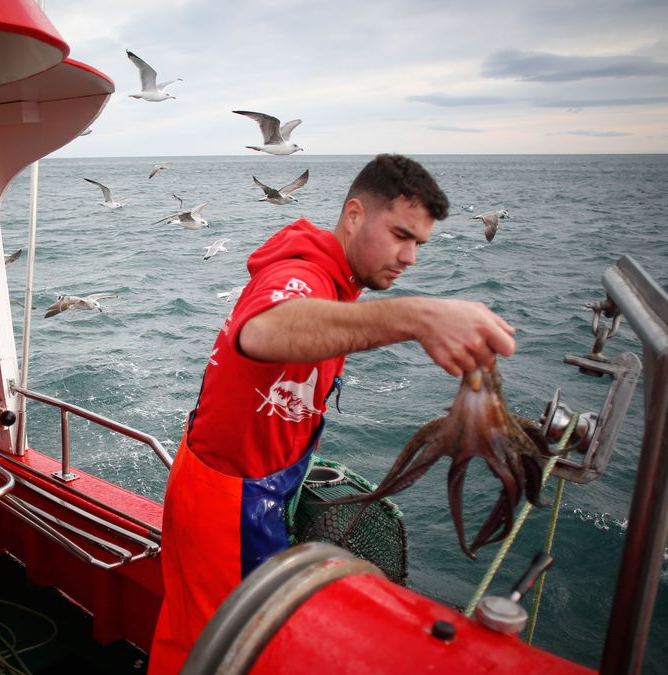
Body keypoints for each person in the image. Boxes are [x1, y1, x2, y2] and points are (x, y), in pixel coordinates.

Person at [147, 154, 516, 673]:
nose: (410, 257)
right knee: (227, 654)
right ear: (354, 215)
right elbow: (264, 331)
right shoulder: (304, 274)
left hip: (241, 484)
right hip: (229, 498)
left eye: (419, 244)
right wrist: (418, 315)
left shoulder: (338, 283)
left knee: (192, 638)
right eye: (400, 235)